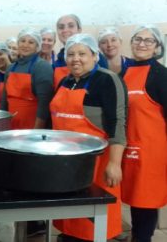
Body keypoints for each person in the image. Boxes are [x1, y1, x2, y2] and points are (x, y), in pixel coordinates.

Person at [50, 34, 127, 241]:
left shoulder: (107, 80)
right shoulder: (65, 81)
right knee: (68, 215)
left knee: (93, 220)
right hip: (65, 161)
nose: (76, 59)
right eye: (71, 54)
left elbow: (117, 123)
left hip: (96, 163)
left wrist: (114, 163)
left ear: (94, 56)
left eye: (82, 54)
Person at [120, 25, 167, 242]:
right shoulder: (124, 72)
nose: (142, 44)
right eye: (138, 39)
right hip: (128, 146)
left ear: (157, 47)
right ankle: (137, 235)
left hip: (152, 149)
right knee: (132, 197)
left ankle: (142, 238)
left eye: (149, 41)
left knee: (146, 198)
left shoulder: (161, 75)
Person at [0, 27, 54, 129]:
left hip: (31, 125)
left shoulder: (42, 67)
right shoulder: (11, 68)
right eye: (22, 41)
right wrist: (2, 124)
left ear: (37, 46)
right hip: (10, 124)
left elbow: (44, 104)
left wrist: (36, 131)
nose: (25, 45)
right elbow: (4, 100)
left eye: (31, 42)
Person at [54, 14, 108, 88]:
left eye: (71, 26)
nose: (65, 30)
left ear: (79, 30)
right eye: (61, 27)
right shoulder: (56, 64)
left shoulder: (97, 59)